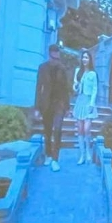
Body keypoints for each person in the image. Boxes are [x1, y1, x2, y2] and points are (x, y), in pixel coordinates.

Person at [34, 44, 71, 172]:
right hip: (46, 104)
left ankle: (55, 159)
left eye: (57, 58)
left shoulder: (62, 69)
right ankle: (48, 155)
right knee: (48, 131)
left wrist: (67, 107)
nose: (55, 60)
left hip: (59, 104)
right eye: (53, 58)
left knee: (58, 130)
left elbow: (66, 89)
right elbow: (38, 88)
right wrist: (37, 108)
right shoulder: (42, 68)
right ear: (49, 55)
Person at [72, 50, 99, 165]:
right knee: (80, 129)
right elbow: (74, 87)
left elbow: (95, 89)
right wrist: (76, 86)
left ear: (90, 60)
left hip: (88, 102)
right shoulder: (78, 71)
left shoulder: (93, 74)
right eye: (83, 57)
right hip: (80, 100)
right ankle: (82, 154)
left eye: (86, 57)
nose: (84, 60)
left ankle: (88, 150)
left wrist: (92, 103)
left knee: (87, 129)